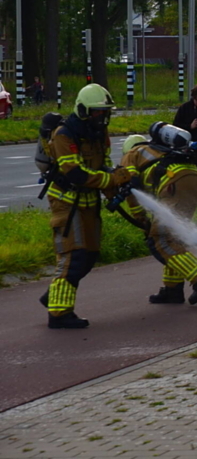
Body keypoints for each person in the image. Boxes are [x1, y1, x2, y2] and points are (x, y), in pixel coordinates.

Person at [40, 84, 136, 328]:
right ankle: (59, 314)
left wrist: (117, 182)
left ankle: (54, 295)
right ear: (83, 110)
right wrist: (111, 179)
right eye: (97, 112)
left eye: (104, 112)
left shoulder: (99, 134)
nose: (101, 117)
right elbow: (74, 172)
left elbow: (103, 165)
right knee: (74, 255)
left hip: (89, 201)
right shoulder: (64, 134)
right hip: (67, 201)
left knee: (90, 255)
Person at [119, 131, 197, 305]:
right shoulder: (159, 151)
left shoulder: (131, 154)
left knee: (161, 238)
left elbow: (130, 189)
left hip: (175, 183)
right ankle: (173, 289)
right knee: (175, 236)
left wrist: (141, 218)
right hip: (194, 178)